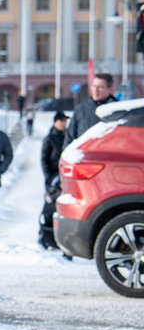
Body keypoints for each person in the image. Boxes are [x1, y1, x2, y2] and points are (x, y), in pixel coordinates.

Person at [38, 111, 67, 249]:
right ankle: (47, 237)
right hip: (53, 180)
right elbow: (44, 160)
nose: (63, 124)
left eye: (65, 121)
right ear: (55, 122)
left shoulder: (68, 137)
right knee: (51, 208)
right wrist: (50, 179)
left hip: (65, 177)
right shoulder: (49, 139)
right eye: (61, 121)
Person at [63, 73, 116, 147]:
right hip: (84, 153)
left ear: (110, 89)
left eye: (100, 87)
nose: (96, 90)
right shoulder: (81, 109)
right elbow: (70, 137)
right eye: (94, 86)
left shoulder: (117, 110)